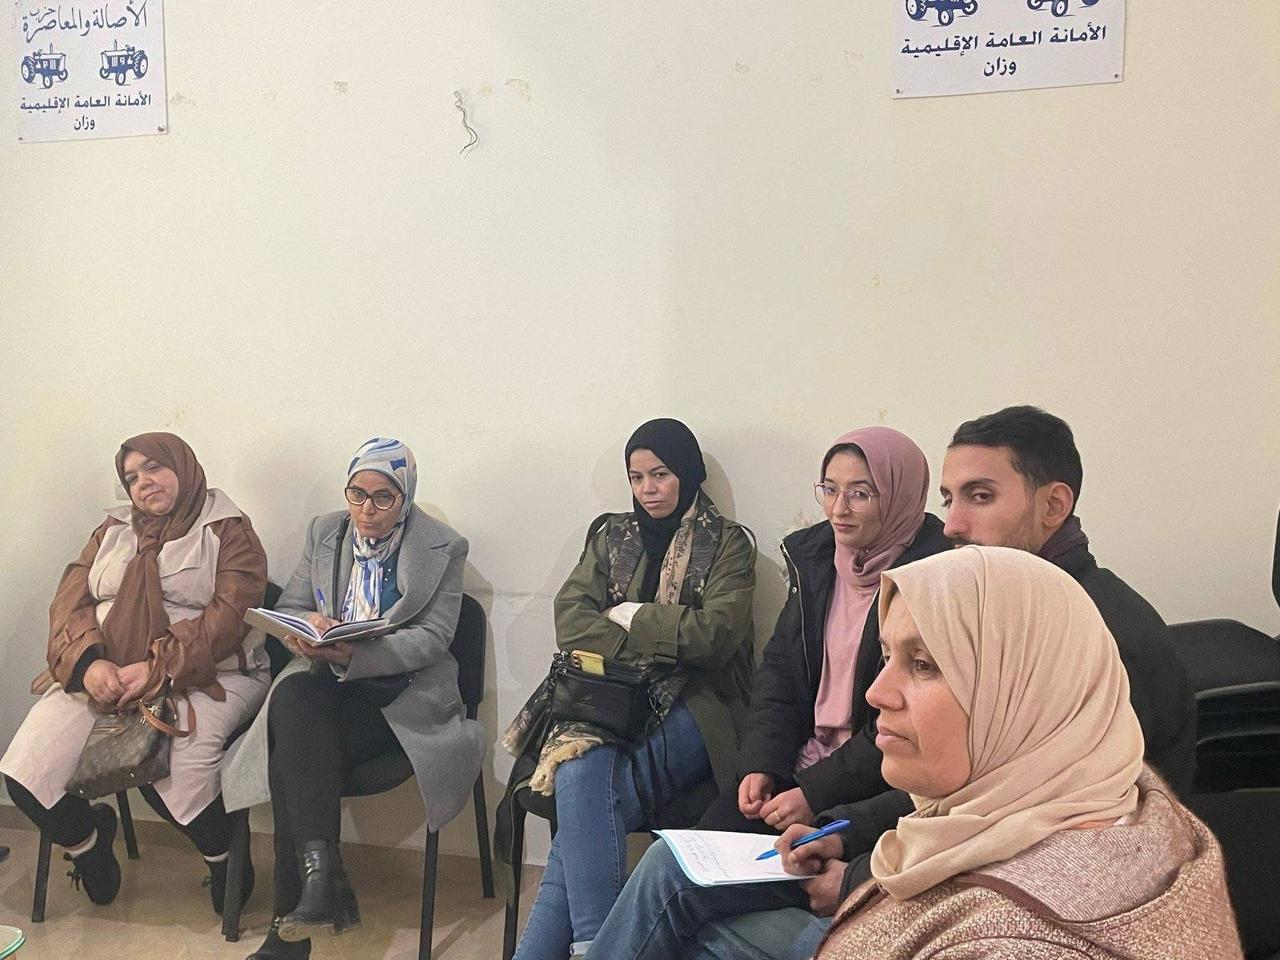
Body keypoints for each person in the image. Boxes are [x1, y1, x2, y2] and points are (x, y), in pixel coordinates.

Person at [581, 426, 949, 960]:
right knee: (678, 856)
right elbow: (779, 679)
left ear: (899, 496)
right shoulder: (818, 560)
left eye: (860, 493)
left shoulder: (933, 583)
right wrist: (760, 765)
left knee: (674, 889)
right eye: (829, 489)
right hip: (792, 772)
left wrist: (812, 794)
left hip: (866, 790)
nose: (839, 508)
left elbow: (901, 725)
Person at [810, 546, 1242, 959]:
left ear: (1029, 695)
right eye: (887, 656)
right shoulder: (1118, 803)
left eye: (924, 664)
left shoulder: (1014, 945)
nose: (876, 692)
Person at [220, 437, 485, 960]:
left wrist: (355, 654)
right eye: (357, 494)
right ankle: (320, 877)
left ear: (405, 496)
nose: (367, 509)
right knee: (294, 698)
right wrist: (306, 628)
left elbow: (433, 639)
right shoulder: (326, 532)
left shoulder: (444, 547)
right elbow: (292, 606)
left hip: (400, 698)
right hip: (326, 689)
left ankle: (298, 921)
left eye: (383, 497)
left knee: (291, 753)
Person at [509, 418, 757, 960]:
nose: (648, 489)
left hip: (699, 702)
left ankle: (587, 948)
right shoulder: (611, 535)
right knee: (580, 771)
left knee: (582, 808)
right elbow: (571, 620)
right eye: (636, 477)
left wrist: (630, 616)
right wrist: (666, 634)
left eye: (661, 475)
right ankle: (598, 947)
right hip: (609, 696)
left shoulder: (729, 544)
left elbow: (715, 637)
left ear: (687, 473)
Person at [1, 432, 270, 913]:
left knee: (174, 773)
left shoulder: (229, 531)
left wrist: (158, 667)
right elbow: (69, 603)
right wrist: (88, 664)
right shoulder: (111, 530)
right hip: (107, 675)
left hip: (211, 674)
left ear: (183, 467)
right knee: (26, 774)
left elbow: (231, 616)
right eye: (131, 477)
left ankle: (225, 857)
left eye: (154, 467)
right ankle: (88, 844)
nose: (143, 482)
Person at [938, 405, 1196, 793]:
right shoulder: (1013, 606)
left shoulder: (1097, 634)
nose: (951, 525)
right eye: (948, 500)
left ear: (1053, 506)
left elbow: (1055, 800)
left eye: (980, 496)